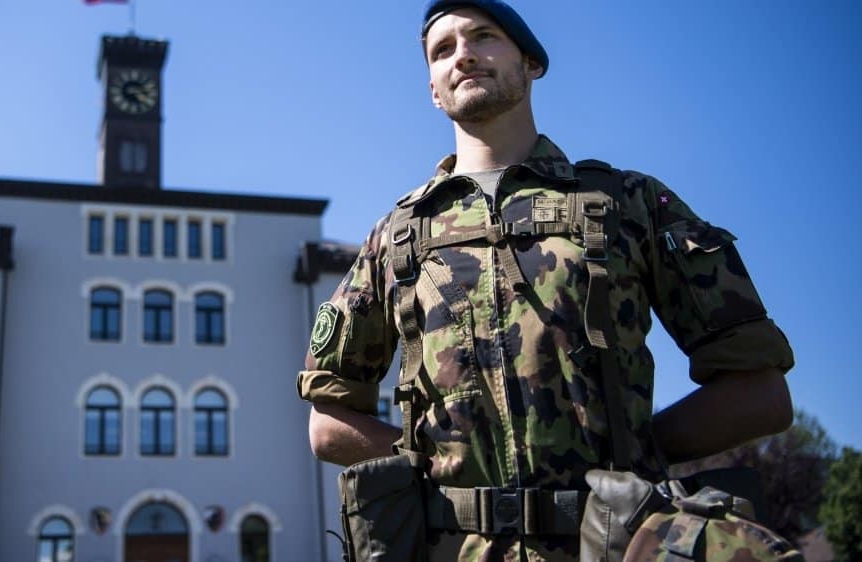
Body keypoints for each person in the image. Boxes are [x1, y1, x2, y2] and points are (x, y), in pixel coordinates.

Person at [297, 0, 795, 559]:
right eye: (442, 50)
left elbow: (760, 393)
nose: (463, 56)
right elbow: (328, 421)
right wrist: (430, 467)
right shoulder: (397, 238)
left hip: (611, 544)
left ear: (531, 62)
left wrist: (630, 464)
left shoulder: (626, 203)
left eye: (483, 37)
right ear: (434, 90)